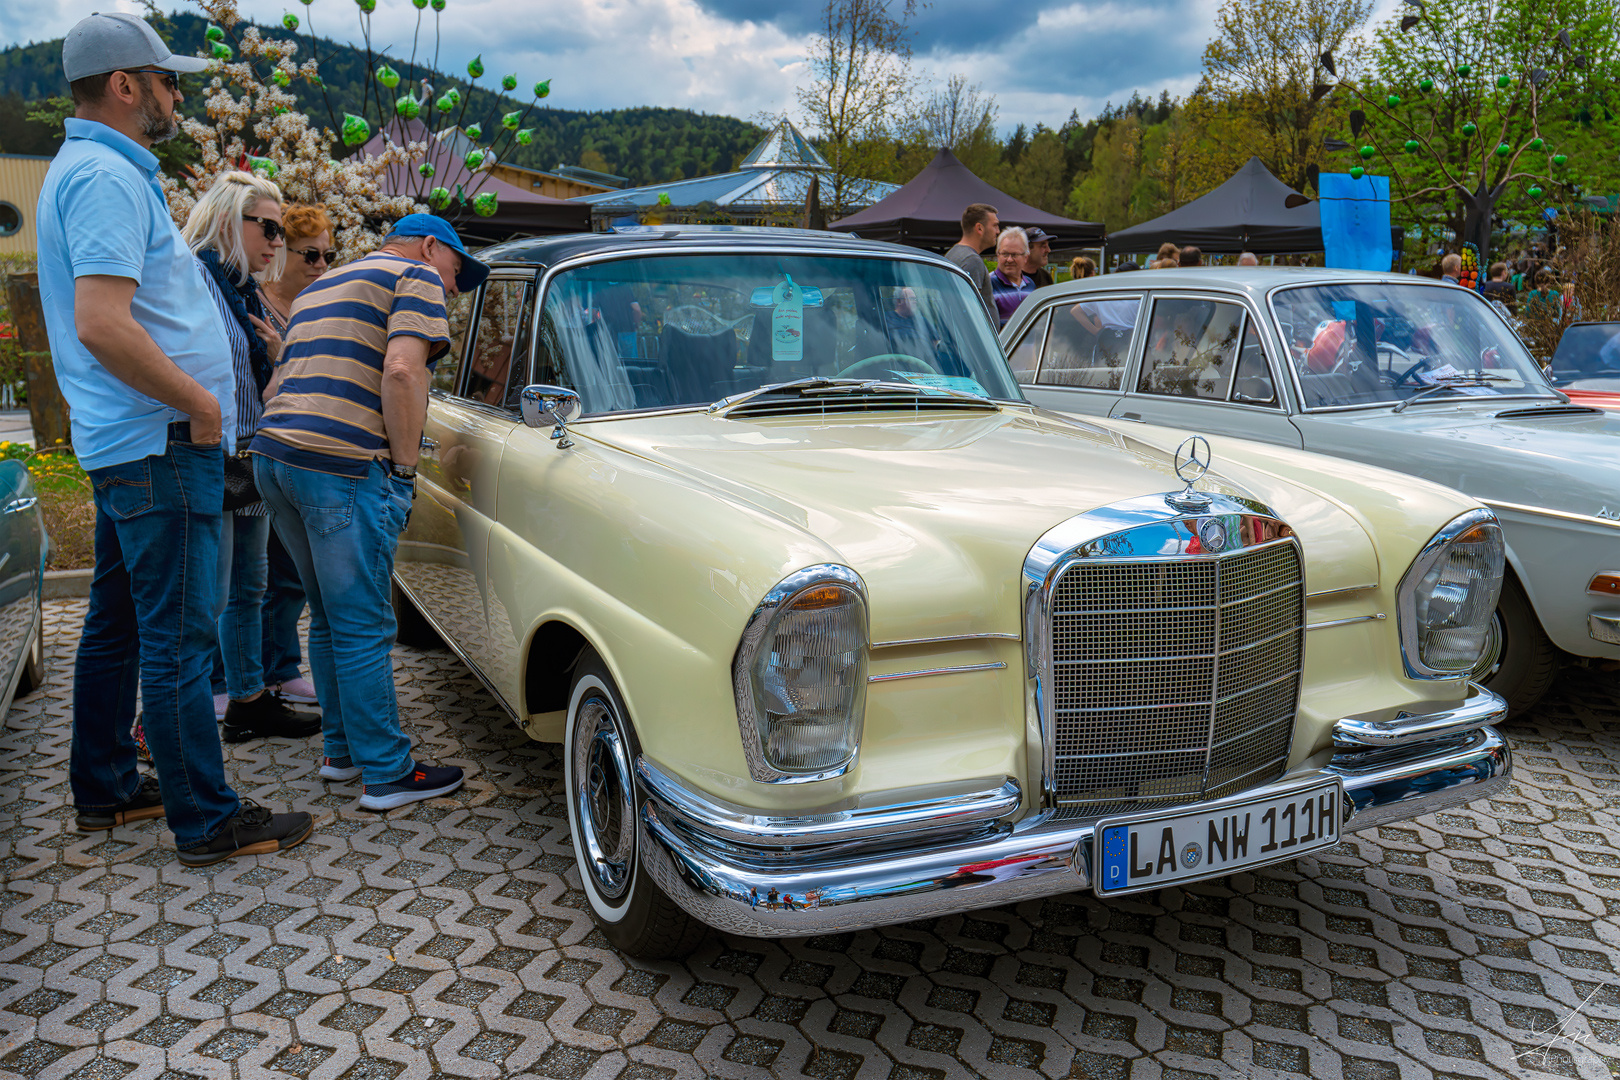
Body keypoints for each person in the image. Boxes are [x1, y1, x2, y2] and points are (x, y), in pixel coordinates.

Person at [38, 12, 313, 863]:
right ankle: (207, 818)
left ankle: (109, 786)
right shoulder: (106, 179)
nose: (176, 93)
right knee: (181, 639)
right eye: (165, 80)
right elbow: (102, 323)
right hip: (160, 443)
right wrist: (200, 403)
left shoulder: (88, 170)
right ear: (124, 85)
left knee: (119, 625)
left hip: (135, 444)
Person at [250, 214, 488, 811]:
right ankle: (387, 772)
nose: (454, 290)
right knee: (363, 623)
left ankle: (341, 752)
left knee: (329, 616)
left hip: (275, 458)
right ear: (432, 247)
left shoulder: (324, 285)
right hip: (341, 466)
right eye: (458, 271)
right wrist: (405, 470)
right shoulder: (416, 275)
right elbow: (404, 371)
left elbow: (275, 390)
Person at [183, 172, 323, 745]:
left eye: (280, 231)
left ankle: (247, 702)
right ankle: (179, 723)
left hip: (246, 453)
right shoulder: (193, 277)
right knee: (211, 594)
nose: (277, 242)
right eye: (266, 227)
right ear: (225, 221)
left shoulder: (240, 290)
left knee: (249, 587)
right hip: (210, 453)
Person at [255, 203, 332, 710]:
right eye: (312, 255)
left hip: (299, 454)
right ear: (281, 250)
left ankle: (280, 667)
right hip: (257, 451)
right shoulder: (253, 305)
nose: (322, 266)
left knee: (288, 574)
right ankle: (245, 674)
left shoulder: (312, 305)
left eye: (330, 254)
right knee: (251, 576)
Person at [946, 203, 999, 322]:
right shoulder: (972, 260)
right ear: (979, 228)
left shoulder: (952, 254)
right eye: (995, 226)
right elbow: (969, 312)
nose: (998, 231)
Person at [990, 226, 1035, 328]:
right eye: (1005, 254)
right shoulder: (989, 284)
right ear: (998, 255)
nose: (1009, 259)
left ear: (1025, 258)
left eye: (1014, 255)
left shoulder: (1030, 285)